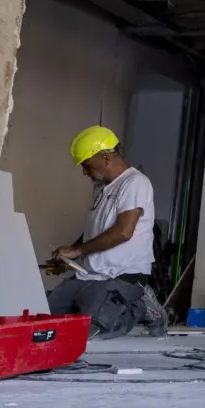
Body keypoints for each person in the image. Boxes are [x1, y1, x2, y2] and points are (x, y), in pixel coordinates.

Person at [46, 126, 167, 339]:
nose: (84, 172)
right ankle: (111, 303)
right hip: (90, 275)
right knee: (44, 317)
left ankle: (141, 305)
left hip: (121, 275)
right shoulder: (103, 189)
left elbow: (123, 232)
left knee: (92, 331)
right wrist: (71, 253)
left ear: (105, 158)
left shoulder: (135, 183)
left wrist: (78, 250)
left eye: (86, 165)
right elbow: (97, 230)